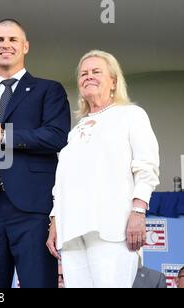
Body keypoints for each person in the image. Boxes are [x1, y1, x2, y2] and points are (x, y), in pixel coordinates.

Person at [46, 50, 160, 288]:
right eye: (83, 74)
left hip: (111, 227)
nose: (88, 76)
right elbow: (62, 182)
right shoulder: (75, 132)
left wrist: (138, 211)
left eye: (96, 72)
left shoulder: (131, 115)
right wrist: (55, 220)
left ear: (114, 82)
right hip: (73, 231)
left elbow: (146, 166)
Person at [0, 19, 71, 288]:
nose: (6, 45)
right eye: (0, 40)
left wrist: (3, 133)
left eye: (13, 40)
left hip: (33, 209)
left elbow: (56, 137)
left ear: (25, 46)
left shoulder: (49, 90)